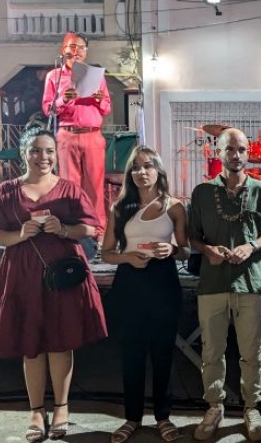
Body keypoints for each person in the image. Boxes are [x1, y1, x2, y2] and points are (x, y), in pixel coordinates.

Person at [0, 124, 107, 442]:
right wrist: (19, 235)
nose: (42, 157)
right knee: (30, 343)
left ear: (55, 155)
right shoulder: (6, 191)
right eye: (35, 151)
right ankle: (35, 410)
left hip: (62, 273)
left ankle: (61, 407)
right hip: (21, 272)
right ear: (23, 154)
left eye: (48, 151)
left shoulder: (70, 189)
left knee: (61, 340)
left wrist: (64, 230)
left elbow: (90, 228)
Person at [188, 128, 261, 441]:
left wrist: (251, 246)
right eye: (230, 149)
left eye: (241, 149)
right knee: (212, 351)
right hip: (212, 283)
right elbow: (193, 236)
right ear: (218, 152)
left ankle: (251, 407)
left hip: (249, 282)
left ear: (248, 153)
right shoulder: (202, 192)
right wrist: (207, 250)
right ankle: (214, 406)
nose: (236, 155)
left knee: (252, 351)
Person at [100, 146, 190, 443]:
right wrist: (126, 257)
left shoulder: (174, 206)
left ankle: (163, 417)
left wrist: (172, 249)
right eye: (136, 167)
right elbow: (106, 253)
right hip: (130, 282)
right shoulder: (120, 207)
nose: (141, 172)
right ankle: (132, 418)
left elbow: (186, 250)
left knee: (163, 353)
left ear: (158, 170)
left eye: (148, 166)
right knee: (132, 353)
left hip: (163, 280)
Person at [42, 31, 111, 238]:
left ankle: (98, 231)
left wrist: (99, 99)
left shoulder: (96, 76)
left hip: (92, 135)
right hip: (67, 135)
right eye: (73, 46)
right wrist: (63, 99)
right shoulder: (54, 76)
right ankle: (70, 229)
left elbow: (106, 108)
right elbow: (48, 109)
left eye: (81, 47)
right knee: (69, 185)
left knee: (95, 186)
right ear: (63, 50)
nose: (77, 51)